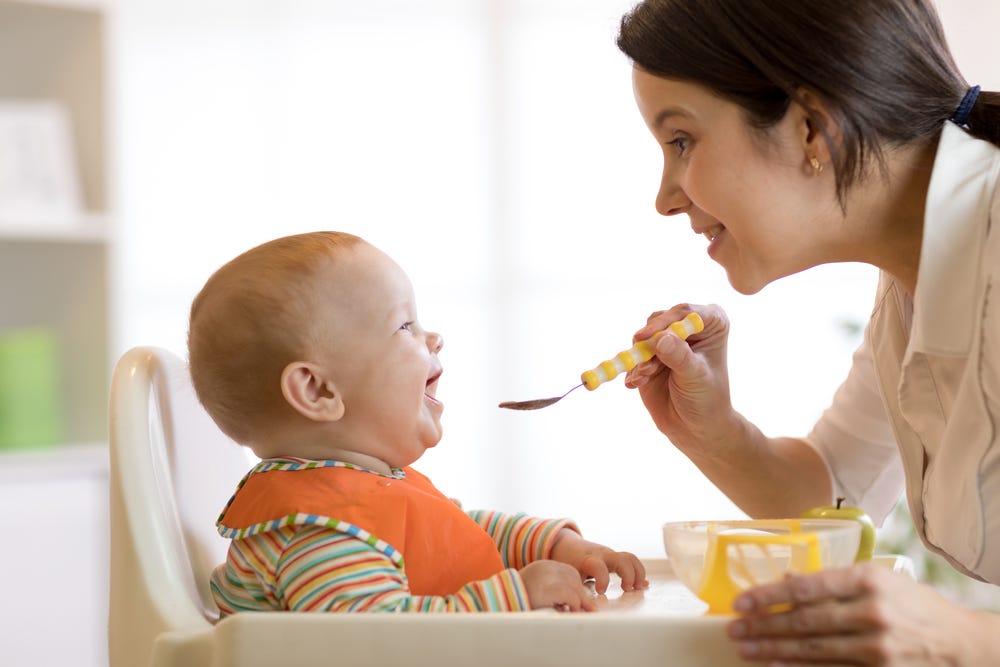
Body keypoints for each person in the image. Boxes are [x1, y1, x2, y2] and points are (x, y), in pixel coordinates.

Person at [615, 0, 1000, 664]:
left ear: (811, 130)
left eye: (681, 140)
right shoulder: (913, 281)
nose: (665, 196)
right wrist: (712, 429)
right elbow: (829, 492)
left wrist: (961, 637)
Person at [188, 231, 646, 615]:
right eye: (404, 326)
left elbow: (460, 531)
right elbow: (385, 643)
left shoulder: (364, 493)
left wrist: (553, 545)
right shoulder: (318, 533)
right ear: (318, 391)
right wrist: (514, 597)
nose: (434, 337)